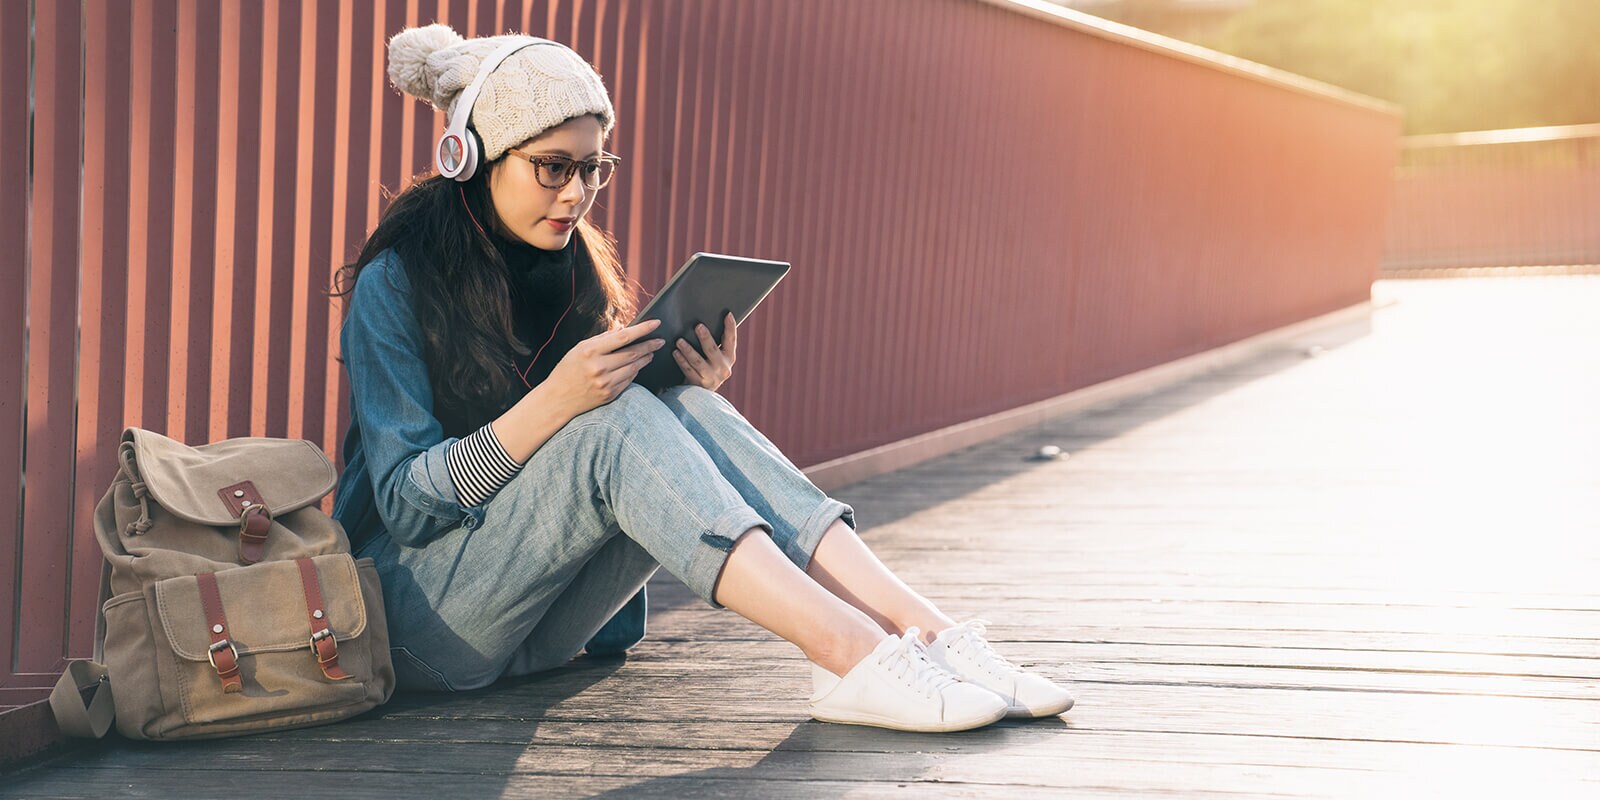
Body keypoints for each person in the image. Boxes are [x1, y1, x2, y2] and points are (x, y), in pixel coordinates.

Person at [329, 23, 1073, 733]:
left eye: (594, 168)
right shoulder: (396, 283)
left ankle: (924, 631)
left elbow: (593, 463)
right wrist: (557, 401)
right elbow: (404, 507)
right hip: (423, 626)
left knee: (684, 404)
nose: (576, 193)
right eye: (553, 166)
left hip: (540, 625)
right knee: (615, 424)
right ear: (471, 155)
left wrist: (677, 401)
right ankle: (852, 654)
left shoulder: (571, 268)